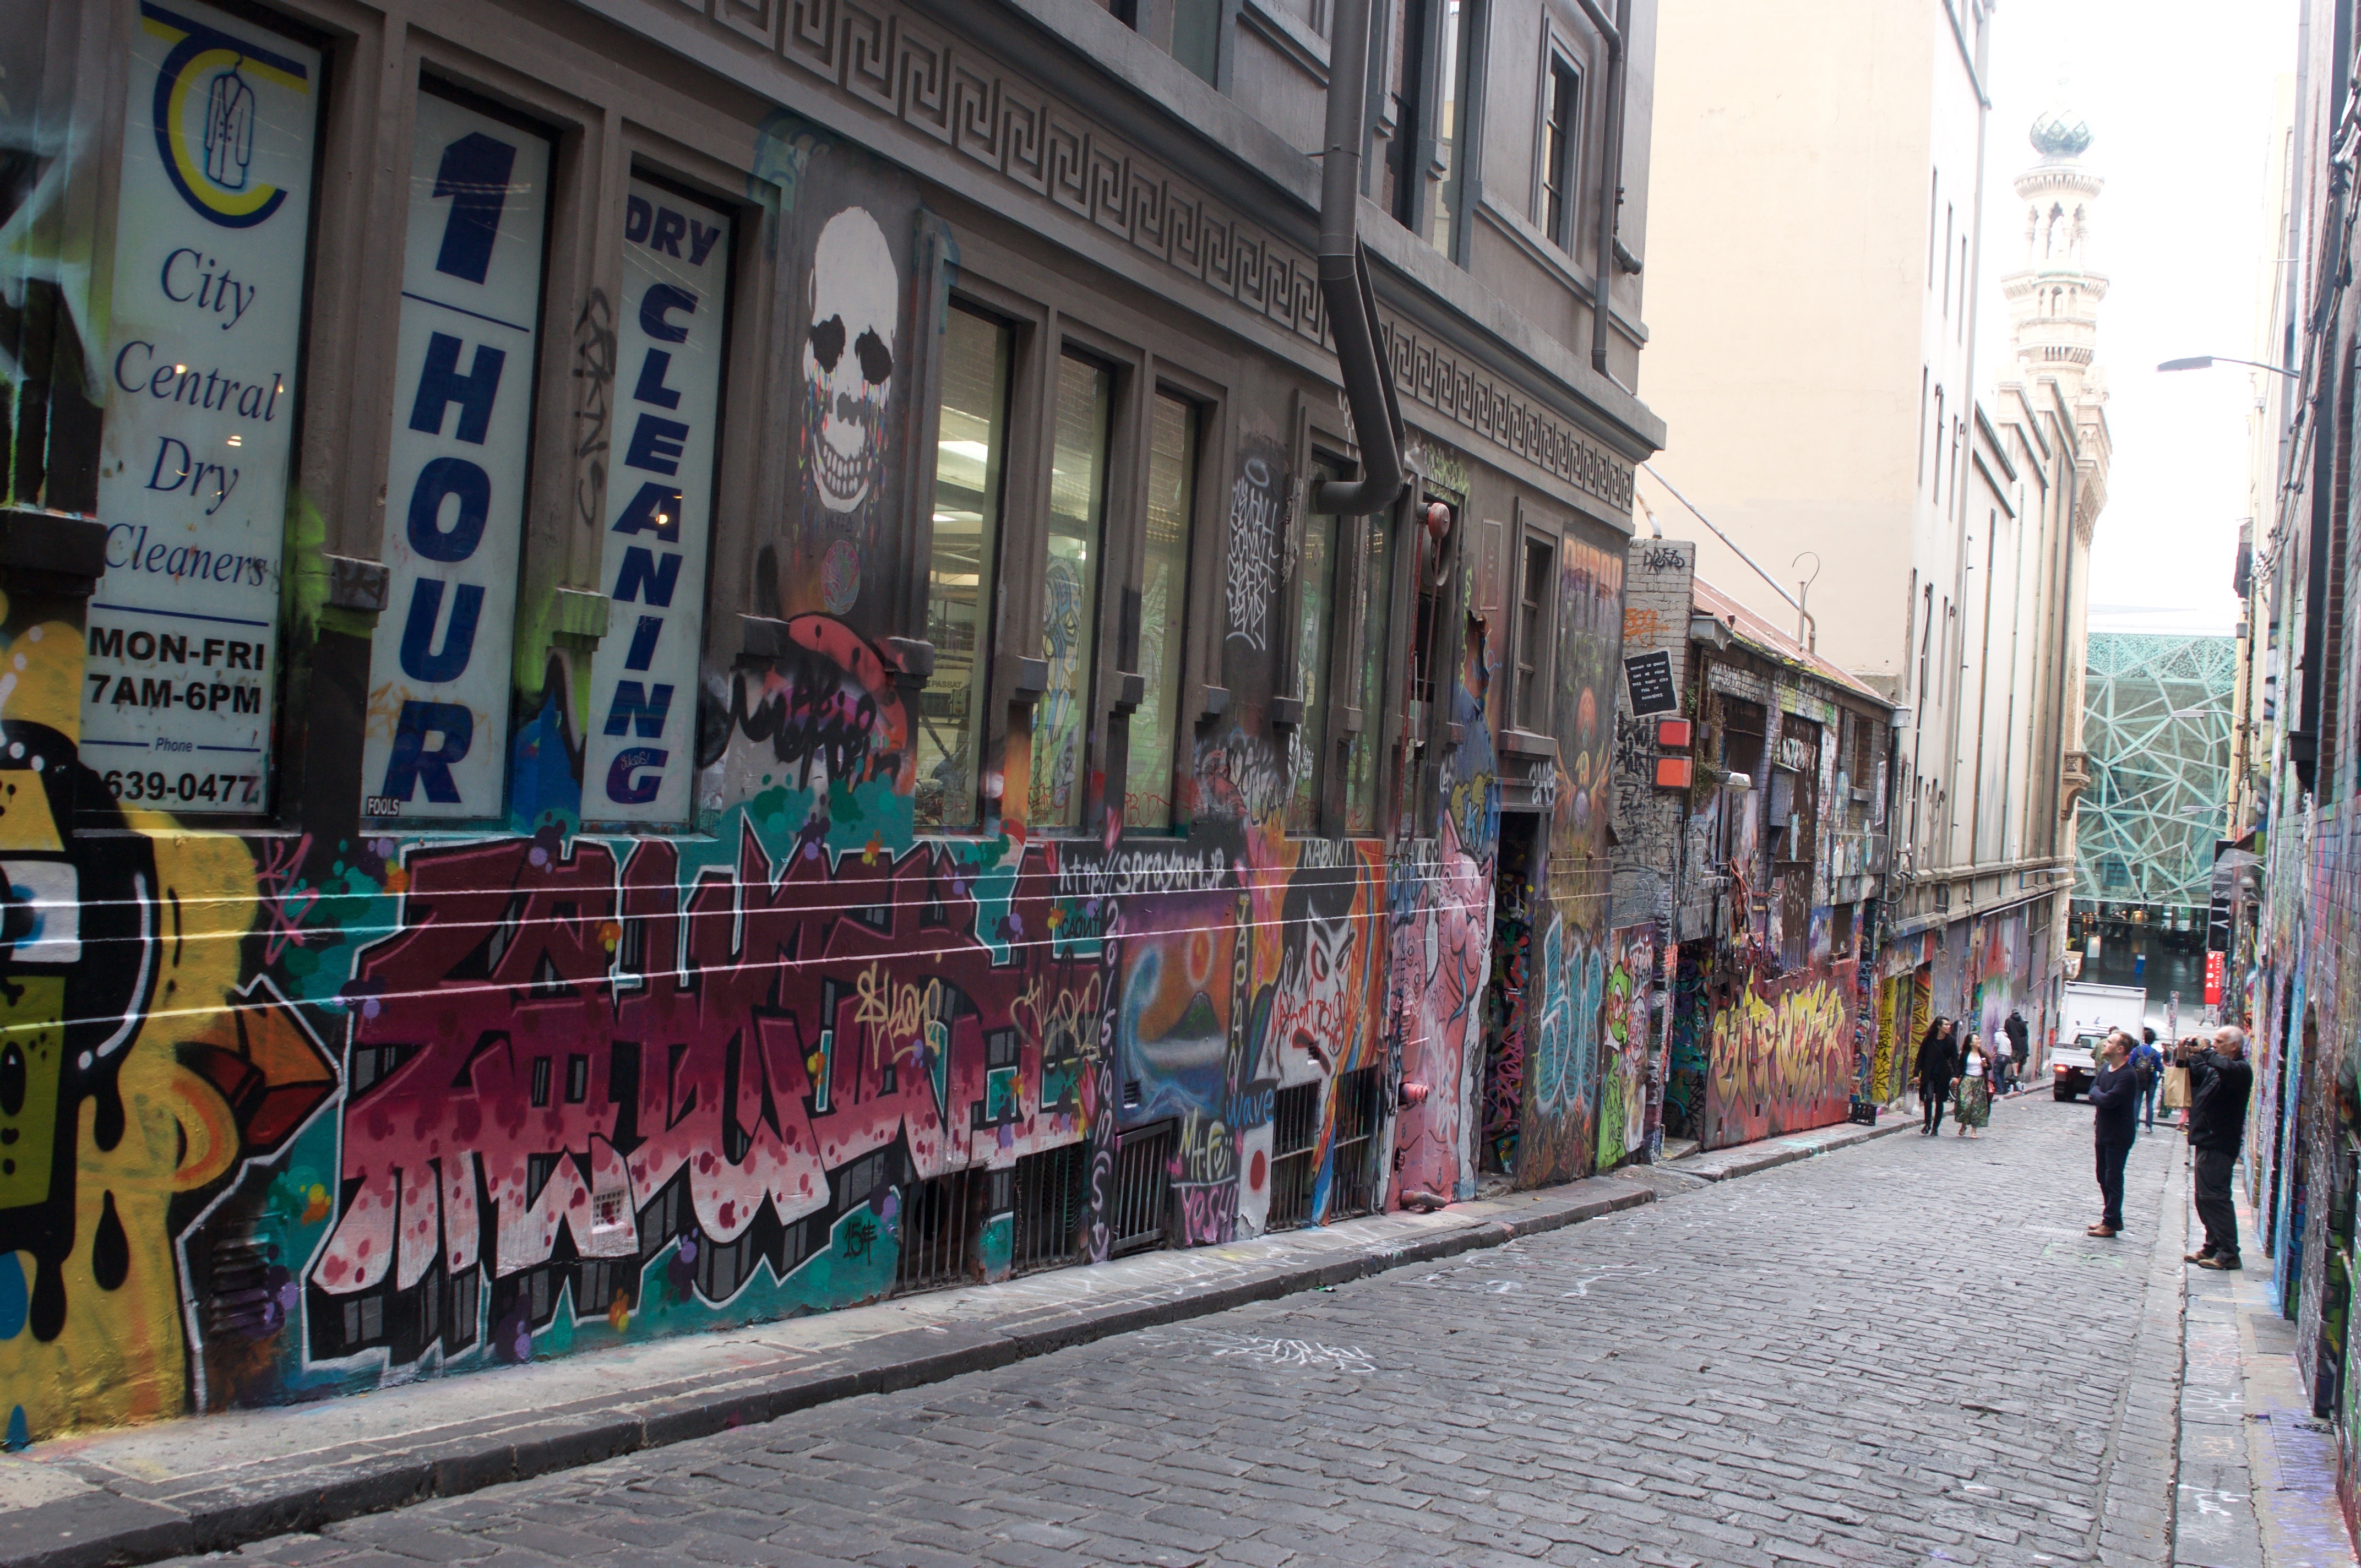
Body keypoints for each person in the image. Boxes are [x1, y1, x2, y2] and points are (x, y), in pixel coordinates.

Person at [2184, 1025, 2256, 1271]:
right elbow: (2196, 1072)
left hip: (2219, 1143)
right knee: (2203, 1198)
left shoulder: (2240, 1070)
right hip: (2207, 1140)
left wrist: (2206, 1051)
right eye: (2214, 1041)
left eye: (2220, 1042)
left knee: (2215, 1198)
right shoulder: (2217, 1070)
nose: (2215, 1045)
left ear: (2234, 1046)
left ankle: (2229, 1253)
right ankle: (2213, 1244)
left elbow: (2222, 1066)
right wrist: (2187, 1054)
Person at [2088, 1031, 2140, 1238]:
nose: (2105, 1045)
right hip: (2103, 1131)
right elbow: (2093, 1091)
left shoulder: (2128, 1075)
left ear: (2120, 1049)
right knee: (2102, 1176)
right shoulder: (2105, 1069)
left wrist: (2099, 1095)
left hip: (2119, 1134)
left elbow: (2108, 1100)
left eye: (2109, 1042)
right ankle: (2114, 1218)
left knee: (2113, 1178)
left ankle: (2110, 1223)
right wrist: (2099, 1094)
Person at [1918, 1018, 1960, 1135]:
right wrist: (1916, 1073)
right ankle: (1927, 1123)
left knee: (1940, 1101)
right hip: (1929, 1074)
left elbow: (1955, 1058)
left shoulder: (1951, 1041)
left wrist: (1956, 1075)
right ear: (1939, 1027)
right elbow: (1921, 1057)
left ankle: (1936, 1127)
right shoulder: (1929, 1040)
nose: (1949, 1027)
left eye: (1949, 1025)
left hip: (1943, 1075)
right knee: (1929, 1097)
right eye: (1946, 1025)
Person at [1954, 1033, 1993, 1137]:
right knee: (1965, 1104)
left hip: (1980, 1081)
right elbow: (1960, 1067)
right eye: (1976, 1039)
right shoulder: (1965, 1054)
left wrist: (1985, 1065)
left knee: (1977, 1106)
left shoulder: (1983, 1054)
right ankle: (1964, 1125)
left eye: (1979, 1039)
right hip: (1967, 1080)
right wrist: (1956, 1077)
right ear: (1971, 1043)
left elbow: (1990, 1067)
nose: (1979, 1041)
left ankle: (1974, 1131)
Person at [2131, 1029, 2164, 1130]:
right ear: (2153, 1040)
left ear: (2144, 1038)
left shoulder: (2136, 1050)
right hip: (2151, 1080)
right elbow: (2160, 1068)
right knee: (2150, 1103)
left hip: (2138, 1080)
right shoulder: (2156, 1053)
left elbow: (2130, 1064)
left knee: (2137, 1102)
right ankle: (2149, 1126)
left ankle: (2135, 1124)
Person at [2006, 1010, 2030, 1090]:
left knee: (2013, 1060)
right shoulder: (2022, 1023)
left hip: (2013, 1043)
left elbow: (2007, 1030)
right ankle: (2015, 1076)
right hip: (2021, 1047)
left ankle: (2015, 1076)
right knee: (2018, 1061)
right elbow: (2025, 1033)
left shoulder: (2009, 1021)